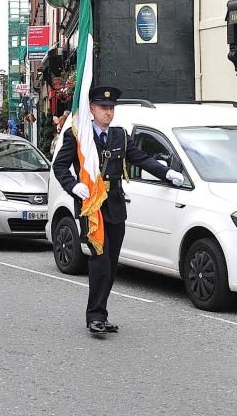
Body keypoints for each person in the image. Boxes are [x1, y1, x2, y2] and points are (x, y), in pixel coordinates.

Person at [53, 86, 184, 335]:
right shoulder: (77, 136)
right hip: (91, 206)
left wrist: (166, 172)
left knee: (112, 265)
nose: (108, 113)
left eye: (111, 108)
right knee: (100, 261)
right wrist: (73, 186)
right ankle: (94, 317)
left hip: (114, 205)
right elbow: (60, 167)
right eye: (103, 108)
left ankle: (101, 313)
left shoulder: (119, 136)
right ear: (91, 109)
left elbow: (140, 158)